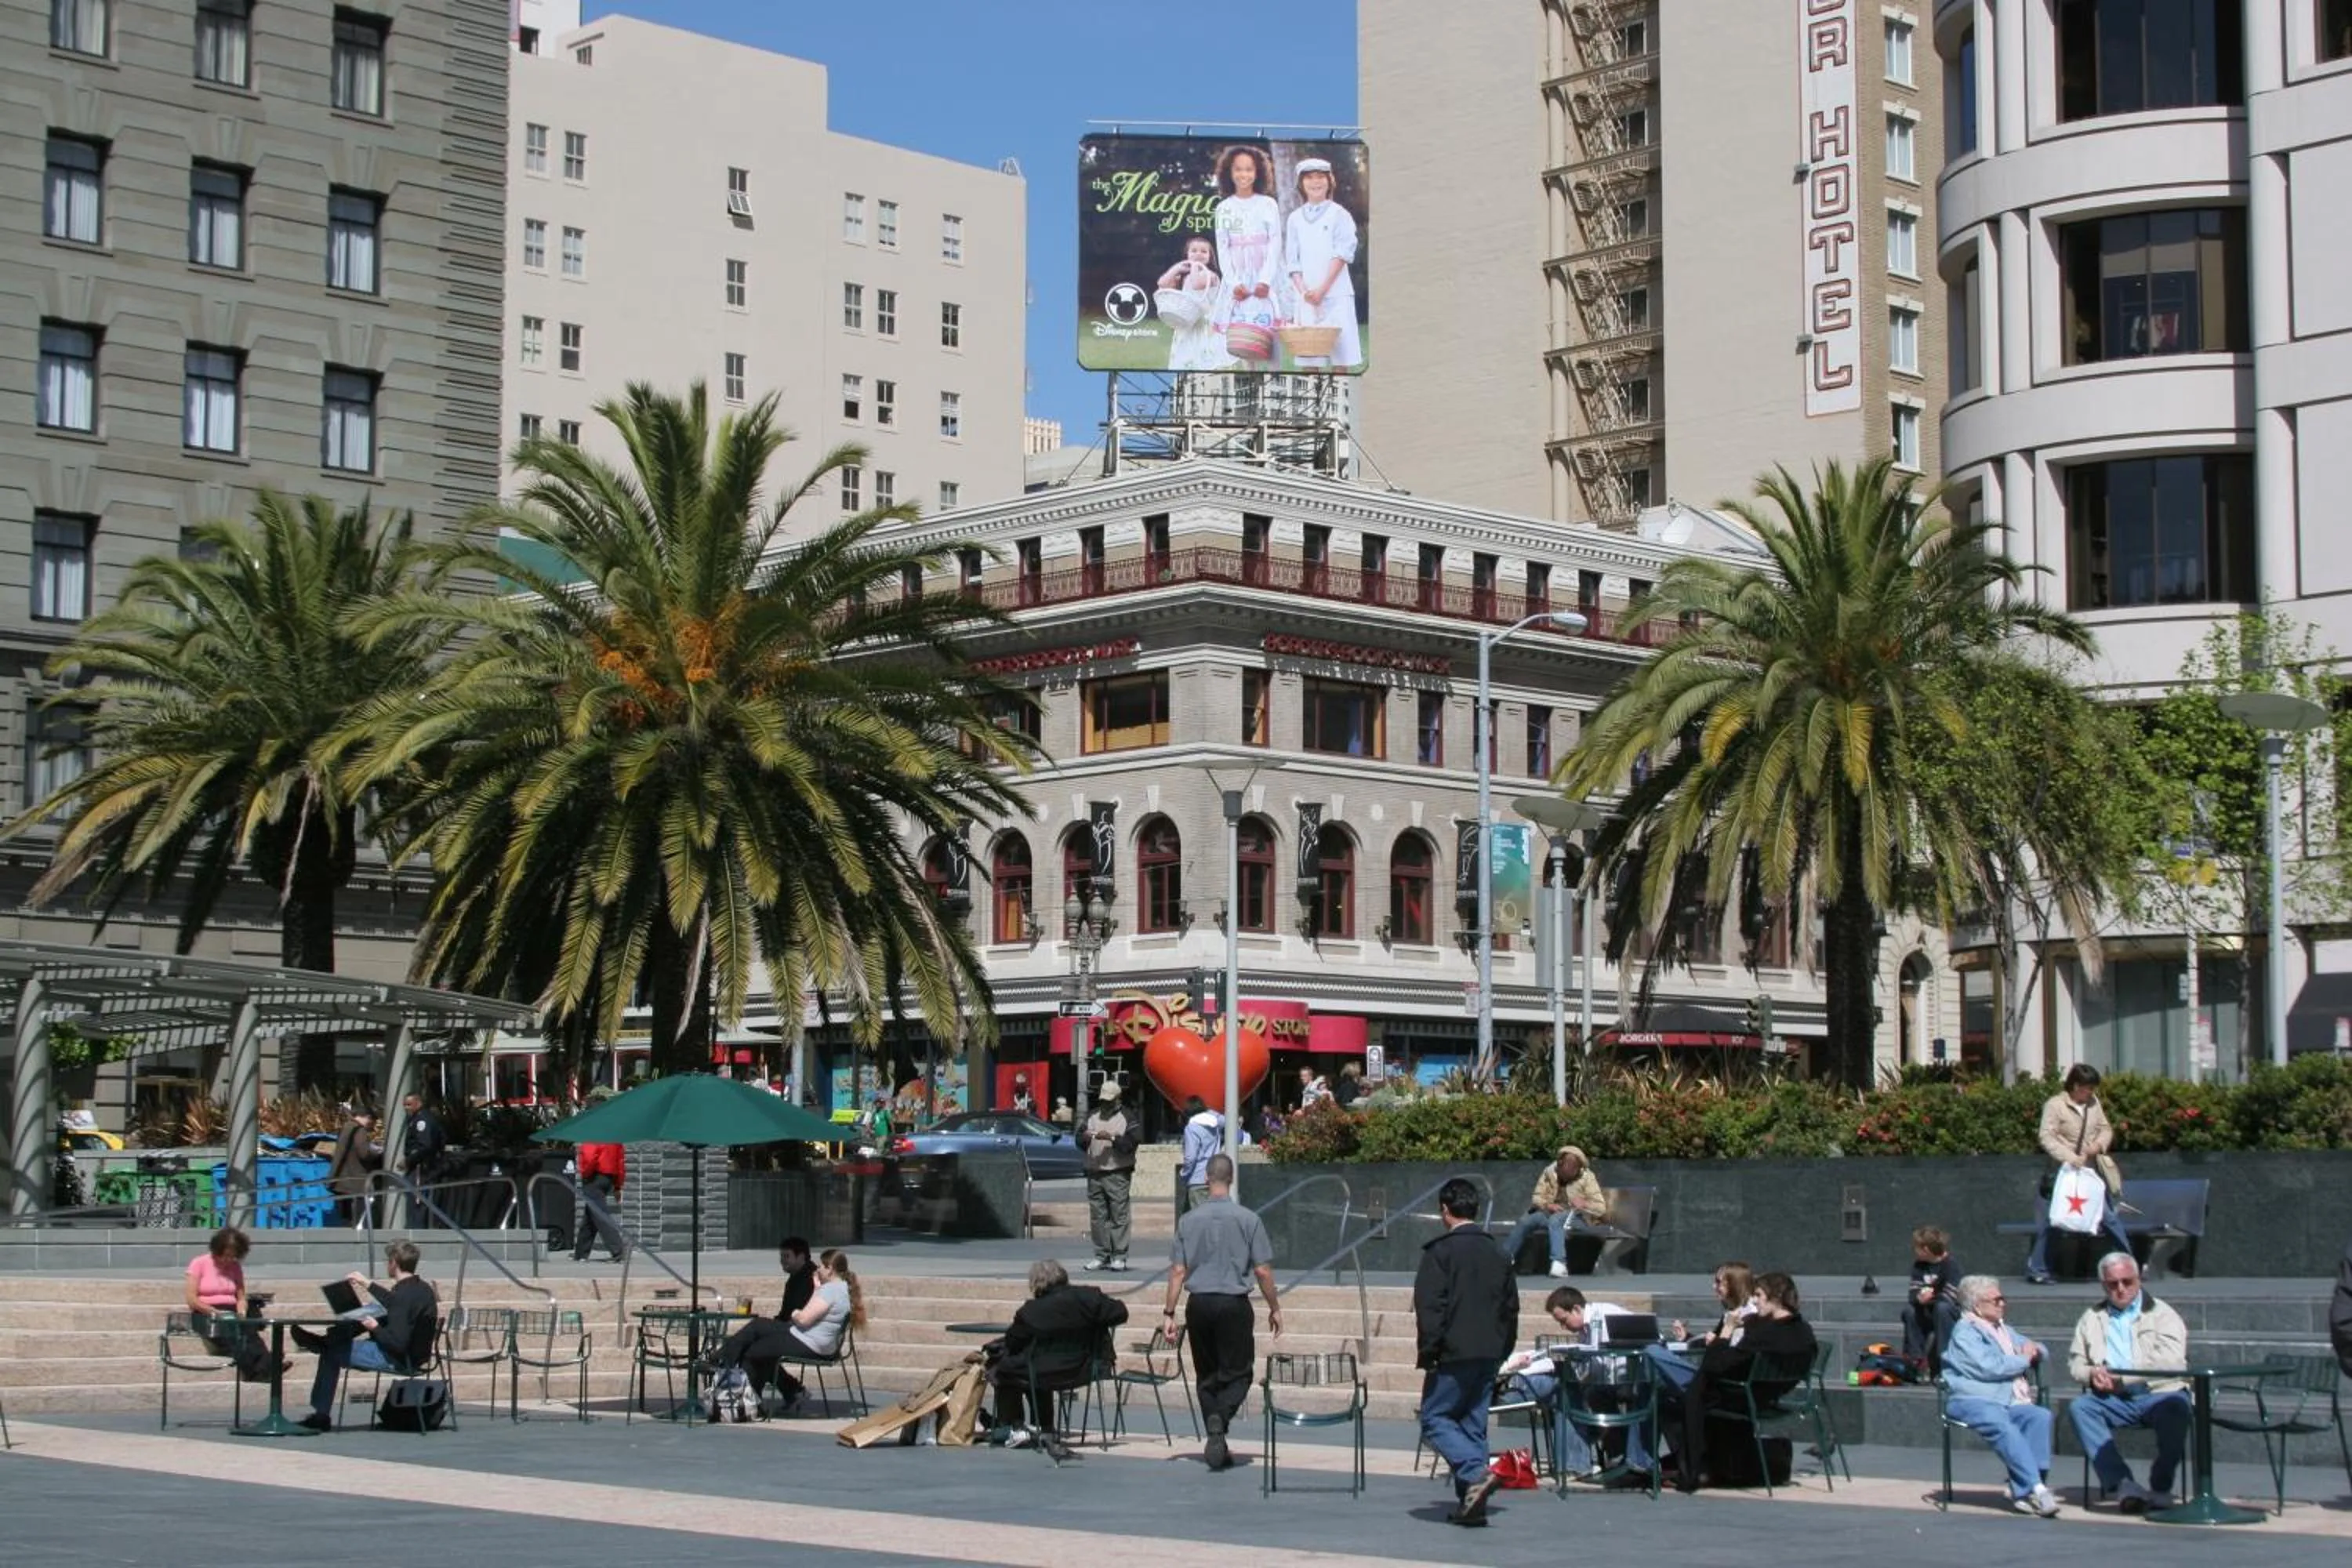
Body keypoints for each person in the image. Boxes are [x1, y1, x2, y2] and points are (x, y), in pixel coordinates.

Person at [1163, 1152, 1279, 1472]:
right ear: (1231, 1179)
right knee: (1240, 1372)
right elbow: (1263, 1271)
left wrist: (1169, 1312)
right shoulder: (1249, 1219)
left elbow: (1177, 1271)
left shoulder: (1188, 1221)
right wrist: (1275, 1308)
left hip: (1199, 1303)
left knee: (1207, 1374)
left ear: (1206, 1178)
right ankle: (1221, 1418)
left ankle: (1217, 1434)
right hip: (1233, 1303)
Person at [1414, 1176, 1519, 1527]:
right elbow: (1510, 1308)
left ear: (1445, 1211)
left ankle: (1475, 1473)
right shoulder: (1499, 1253)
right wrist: (1503, 1349)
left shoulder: (1440, 1252)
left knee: (1434, 1419)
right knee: (1474, 1425)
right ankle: (1472, 1503)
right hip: (1489, 1350)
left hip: (1453, 1351)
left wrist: (1430, 1352)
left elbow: (1431, 1308)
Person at [1661, 1270, 1817, 1493]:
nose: (1755, 1300)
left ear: (1776, 1298)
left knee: (1689, 1394)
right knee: (1697, 1390)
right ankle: (1700, 1463)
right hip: (1771, 1395)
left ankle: (1691, 1469)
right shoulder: (1803, 1331)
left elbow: (1714, 1364)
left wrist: (1727, 1330)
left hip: (1745, 1397)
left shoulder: (1764, 1334)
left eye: (1759, 1295)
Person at [2067, 1250, 2190, 1512]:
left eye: (2127, 1282)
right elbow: (2076, 1364)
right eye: (2113, 1284)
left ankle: (2161, 1486)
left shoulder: (2162, 1314)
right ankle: (2123, 1483)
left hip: (2159, 1392)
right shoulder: (2091, 1317)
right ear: (2104, 1285)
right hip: (2115, 1398)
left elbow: (2171, 1362)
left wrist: (2122, 1378)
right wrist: (2092, 1375)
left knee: (2177, 1408)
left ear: (2139, 1280)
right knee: (2081, 1407)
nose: (2121, 1289)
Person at [1498, 1287, 1651, 1486]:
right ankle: (1591, 1453)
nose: (1563, 1327)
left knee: (1577, 1391)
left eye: (1564, 1321)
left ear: (1577, 1309)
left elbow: (1639, 1341)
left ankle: (1590, 1454)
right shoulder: (1585, 1330)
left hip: (1631, 1377)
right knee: (1574, 1391)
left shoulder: (1607, 1317)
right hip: (1607, 1380)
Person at [1943, 1274, 2061, 1517]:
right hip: (1972, 1399)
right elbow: (1989, 1367)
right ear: (1977, 1306)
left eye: (2002, 1298)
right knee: (2003, 1425)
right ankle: (2038, 1488)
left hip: (2006, 1399)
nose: (2002, 1303)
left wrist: (2035, 1349)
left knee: (2039, 1416)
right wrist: (2023, 1358)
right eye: (1996, 1300)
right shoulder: (1965, 1332)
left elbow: (2037, 1348)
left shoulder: (2003, 1330)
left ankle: (2022, 1490)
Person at [296, 1239, 437, 1430]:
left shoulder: (403, 1296)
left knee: (331, 1354)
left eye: (388, 1260)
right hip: (416, 1355)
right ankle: (325, 1341)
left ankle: (321, 1416)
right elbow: (393, 1302)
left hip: (399, 1358)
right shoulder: (421, 1288)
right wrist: (367, 1284)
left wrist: (374, 1327)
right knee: (373, 1314)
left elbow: (397, 1343)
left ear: (394, 1262)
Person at [710, 1247, 862, 1419]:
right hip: (817, 1342)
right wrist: (816, 1289)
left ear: (830, 1269)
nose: (818, 1269)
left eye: (821, 1266)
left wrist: (795, 1312)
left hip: (809, 1342)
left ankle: (726, 1367)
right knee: (759, 1327)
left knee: (753, 1349)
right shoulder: (841, 1289)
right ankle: (776, 1391)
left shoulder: (830, 1290)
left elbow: (804, 1319)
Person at [993, 1258, 1129, 1446]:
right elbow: (1121, 1313)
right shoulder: (1090, 1298)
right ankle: (1045, 1428)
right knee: (1031, 1369)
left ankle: (1015, 1426)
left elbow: (1013, 1342)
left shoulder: (1030, 1311)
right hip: (1087, 1367)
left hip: (1046, 1371)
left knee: (1006, 1369)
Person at [2027, 1064, 2132, 1284]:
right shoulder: (2055, 1105)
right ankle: (2038, 1269)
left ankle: (2129, 1263)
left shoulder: (2094, 1104)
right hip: (2064, 1173)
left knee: (2108, 1217)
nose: (2091, 1093)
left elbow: (2105, 1129)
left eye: (2093, 1089)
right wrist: (2069, 1156)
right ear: (2075, 1086)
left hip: (2089, 1172)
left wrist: (2098, 1146)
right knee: (2054, 1220)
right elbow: (2046, 1136)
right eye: (2087, 1088)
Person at [705, 1237, 818, 1397]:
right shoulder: (796, 1277)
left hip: (802, 1332)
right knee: (757, 1345)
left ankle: (722, 1361)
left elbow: (800, 1314)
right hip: (793, 1327)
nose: (782, 1261)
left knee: (757, 1330)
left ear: (801, 1257)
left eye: (787, 1256)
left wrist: (772, 1326)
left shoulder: (810, 1279)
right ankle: (789, 1390)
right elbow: (785, 1313)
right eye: (781, 1257)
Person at [1281, 155, 1363, 369]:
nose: (1315, 182)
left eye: (1320, 177)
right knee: (1310, 359)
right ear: (1301, 184)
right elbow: (1292, 261)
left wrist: (1322, 290)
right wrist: (1305, 293)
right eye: (1309, 177)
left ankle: (1339, 392)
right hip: (1307, 298)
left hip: (1337, 294)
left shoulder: (1340, 214)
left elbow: (1343, 253)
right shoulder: (1294, 218)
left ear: (1329, 181)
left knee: (1341, 360)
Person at [183, 1226, 285, 1381]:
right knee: (233, 1337)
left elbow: (241, 1296)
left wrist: (241, 1310)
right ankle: (265, 1367)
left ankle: (265, 1368)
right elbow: (192, 1299)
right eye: (225, 1256)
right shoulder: (199, 1263)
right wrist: (215, 1312)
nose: (229, 1260)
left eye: (233, 1257)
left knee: (250, 1332)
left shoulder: (235, 1266)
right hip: (207, 1312)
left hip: (231, 1310)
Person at [1210, 144, 1281, 361]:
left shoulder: (1268, 204)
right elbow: (1223, 248)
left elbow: (1275, 242)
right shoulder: (1224, 208)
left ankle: (1274, 377)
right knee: (1244, 342)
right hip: (1239, 279)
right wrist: (1234, 283)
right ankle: (1249, 377)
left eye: (1249, 169)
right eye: (1238, 169)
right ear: (1229, 172)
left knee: (1271, 339)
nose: (1244, 175)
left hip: (1265, 277)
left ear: (1258, 172)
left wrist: (1265, 280)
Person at [1494, 1145, 1609, 1279]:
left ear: (1577, 1169)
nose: (1566, 1178)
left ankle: (1559, 1263)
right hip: (1551, 1213)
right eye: (1564, 1174)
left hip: (1577, 1217)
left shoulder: (1587, 1177)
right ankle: (1504, 1260)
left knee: (1556, 1220)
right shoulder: (1549, 1172)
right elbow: (1537, 1197)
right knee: (1526, 1220)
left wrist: (1584, 1204)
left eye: (1571, 1175)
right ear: (1559, 1166)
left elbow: (1601, 1208)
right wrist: (1548, 1205)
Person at [1653, 1260, 1755, 1398]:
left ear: (1735, 1285)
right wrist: (1687, 1337)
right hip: (1711, 1376)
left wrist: (1719, 1339)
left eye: (1719, 1283)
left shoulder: (1747, 1318)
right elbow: (1715, 1340)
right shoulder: (1731, 1313)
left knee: (1653, 1352)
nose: (1714, 1286)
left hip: (1718, 1384)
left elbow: (1726, 1358)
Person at [1080, 1080, 1138, 1272]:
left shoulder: (1127, 1116)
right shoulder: (1092, 1115)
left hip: (1117, 1172)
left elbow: (1132, 1143)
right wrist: (1084, 1138)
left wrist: (1111, 1138)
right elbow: (1079, 1138)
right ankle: (1101, 1255)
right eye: (1103, 1101)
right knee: (1098, 1217)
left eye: (1109, 1101)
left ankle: (1119, 1256)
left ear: (1118, 1099)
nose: (1105, 1104)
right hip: (1095, 1172)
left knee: (1119, 1215)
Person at [1155, 234, 1232, 372]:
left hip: (1204, 322)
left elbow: (1196, 284)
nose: (1198, 254)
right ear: (1187, 254)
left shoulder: (1211, 276)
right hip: (1187, 320)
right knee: (1185, 354)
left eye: (1204, 251)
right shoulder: (1185, 276)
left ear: (1210, 257)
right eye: (1194, 251)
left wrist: (1195, 266)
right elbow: (1162, 283)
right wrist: (1177, 268)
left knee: (1202, 355)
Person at [1904, 1225, 1964, 1374]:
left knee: (1942, 1308)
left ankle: (1944, 1360)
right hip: (1927, 1311)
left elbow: (1951, 1295)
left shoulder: (1951, 1265)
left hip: (1948, 1314)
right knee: (1910, 1311)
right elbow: (1913, 1292)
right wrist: (1919, 1298)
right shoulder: (1919, 1266)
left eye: (1916, 1248)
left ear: (1926, 1250)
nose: (1914, 1251)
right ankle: (1916, 1360)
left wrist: (1931, 1298)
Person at [571, 1109, 628, 1262]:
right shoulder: (614, 1134)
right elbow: (620, 1161)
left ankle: (618, 1251)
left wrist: (585, 1174)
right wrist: (618, 1185)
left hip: (594, 1177)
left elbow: (589, 1156)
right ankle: (580, 1254)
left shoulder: (593, 1131)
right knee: (591, 1215)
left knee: (600, 1214)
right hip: (608, 1178)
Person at [325, 1109, 381, 1229]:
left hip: (341, 1179)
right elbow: (364, 1153)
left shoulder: (346, 1127)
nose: (372, 1127)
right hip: (356, 1178)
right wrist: (378, 1153)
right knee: (360, 1213)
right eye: (373, 1123)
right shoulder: (359, 1130)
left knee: (346, 1216)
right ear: (368, 1118)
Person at [398, 1092, 447, 1229]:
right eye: (405, 1105)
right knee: (414, 1200)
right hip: (419, 1167)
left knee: (417, 1201)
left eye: (409, 1105)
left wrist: (409, 1160)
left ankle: (416, 1230)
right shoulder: (415, 1119)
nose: (406, 1108)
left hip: (421, 1168)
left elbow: (425, 1146)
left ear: (418, 1103)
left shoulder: (422, 1120)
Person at [1178, 1095, 1225, 1212]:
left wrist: (1184, 1173)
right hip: (1214, 1176)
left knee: (1199, 1217)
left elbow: (1191, 1157)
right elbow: (1225, 1120)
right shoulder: (1215, 1124)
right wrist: (1207, 1110)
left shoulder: (1192, 1128)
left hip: (1197, 1179)